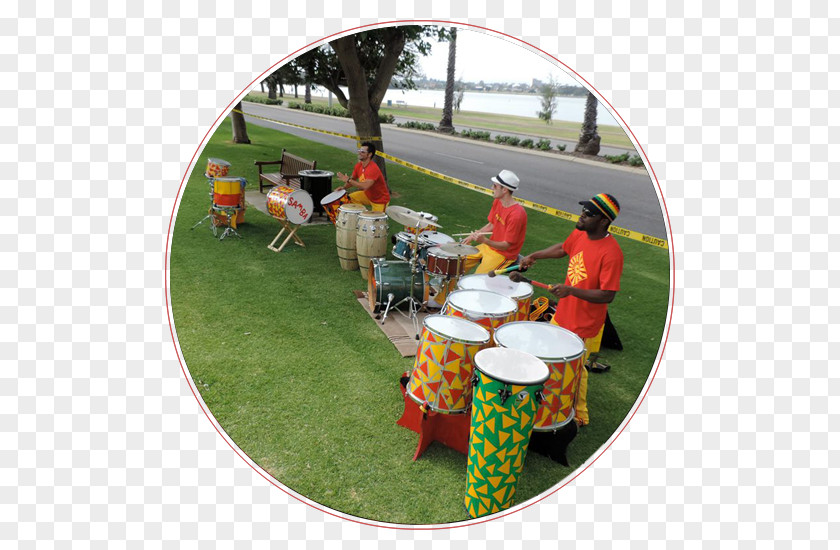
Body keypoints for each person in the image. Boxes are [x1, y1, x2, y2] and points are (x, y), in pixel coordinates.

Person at [519, 193, 624, 427]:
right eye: (583, 211)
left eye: (588, 214)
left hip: (585, 324)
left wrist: (572, 291)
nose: (582, 215)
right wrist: (534, 255)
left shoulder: (612, 253)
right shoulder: (580, 233)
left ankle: (580, 414)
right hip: (563, 314)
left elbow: (608, 295)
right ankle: (549, 399)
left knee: (577, 370)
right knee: (553, 359)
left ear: (603, 221)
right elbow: (563, 249)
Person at [460, 169, 528, 274]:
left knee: (477, 279)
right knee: (458, 263)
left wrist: (485, 241)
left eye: (495, 186)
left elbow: (506, 245)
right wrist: (472, 236)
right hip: (489, 247)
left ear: (504, 189)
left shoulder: (516, 215)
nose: (492, 188)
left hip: (504, 254)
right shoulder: (498, 201)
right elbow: (491, 224)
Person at [335, 141, 390, 212]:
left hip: (380, 200)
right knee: (350, 198)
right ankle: (361, 214)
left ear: (369, 154)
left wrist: (348, 180)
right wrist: (344, 188)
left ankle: (365, 216)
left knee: (376, 221)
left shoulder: (373, 168)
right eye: (359, 150)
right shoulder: (359, 165)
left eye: (363, 152)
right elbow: (353, 179)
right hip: (368, 195)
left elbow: (365, 186)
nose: (359, 153)